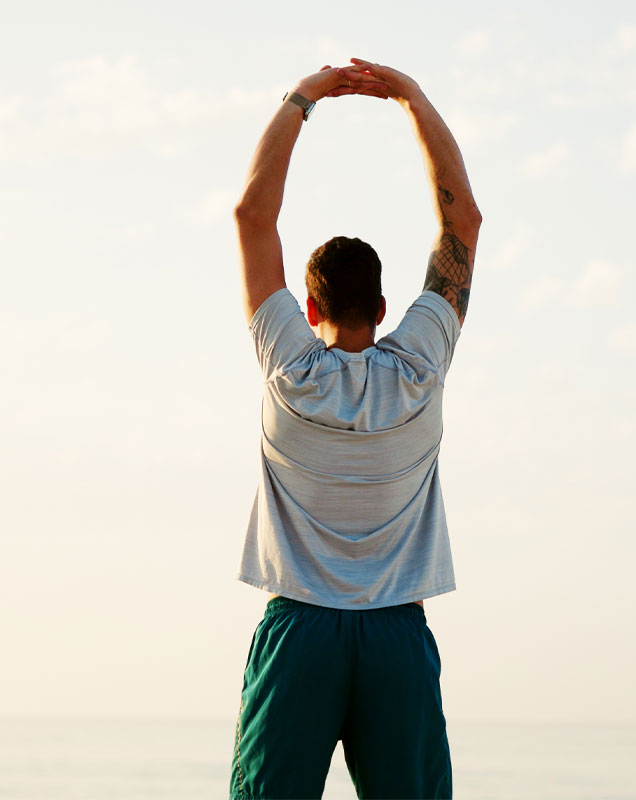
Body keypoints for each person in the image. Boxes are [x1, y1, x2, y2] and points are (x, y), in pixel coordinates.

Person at [229, 58, 481, 800]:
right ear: (386, 302)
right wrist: (410, 95)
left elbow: (252, 217)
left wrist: (304, 97)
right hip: (395, 637)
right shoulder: (420, 367)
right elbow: (460, 219)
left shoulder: (289, 369)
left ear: (309, 308)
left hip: (301, 630)